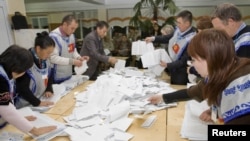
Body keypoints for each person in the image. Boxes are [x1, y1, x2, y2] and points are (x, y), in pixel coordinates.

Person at [148, 28, 250, 124]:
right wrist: (162, 97)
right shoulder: (221, 70)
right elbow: (193, 92)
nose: (192, 64)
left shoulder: (240, 87)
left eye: (194, 60)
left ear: (209, 58)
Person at [0, 45, 56, 136]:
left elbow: (6, 103)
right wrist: (34, 130)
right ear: (16, 66)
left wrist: (19, 118)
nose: (24, 73)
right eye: (25, 70)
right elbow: (5, 109)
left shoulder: (4, 72)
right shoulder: (1, 78)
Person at [145, 10, 197, 85]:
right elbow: (167, 38)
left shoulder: (192, 39)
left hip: (182, 74)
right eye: (177, 22)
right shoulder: (178, 31)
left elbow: (183, 61)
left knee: (178, 92)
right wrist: (153, 39)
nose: (177, 25)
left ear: (187, 24)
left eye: (179, 23)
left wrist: (167, 65)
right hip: (173, 69)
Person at [15, 31, 55, 109]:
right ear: (38, 48)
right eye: (47, 52)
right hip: (25, 105)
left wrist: (48, 89)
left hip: (39, 100)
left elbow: (49, 75)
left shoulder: (45, 59)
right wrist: (37, 102)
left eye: (51, 53)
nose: (49, 55)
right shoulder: (26, 61)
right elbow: (22, 89)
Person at [49, 14, 89, 84]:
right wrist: (73, 62)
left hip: (68, 74)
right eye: (72, 28)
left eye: (75, 29)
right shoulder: (53, 37)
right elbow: (52, 58)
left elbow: (72, 50)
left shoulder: (71, 36)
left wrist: (79, 57)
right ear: (65, 24)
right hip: (56, 76)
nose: (73, 31)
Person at [187, 15, 213, 81]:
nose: (198, 35)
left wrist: (192, 70)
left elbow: (210, 69)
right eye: (197, 32)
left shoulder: (212, 47)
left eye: (200, 32)